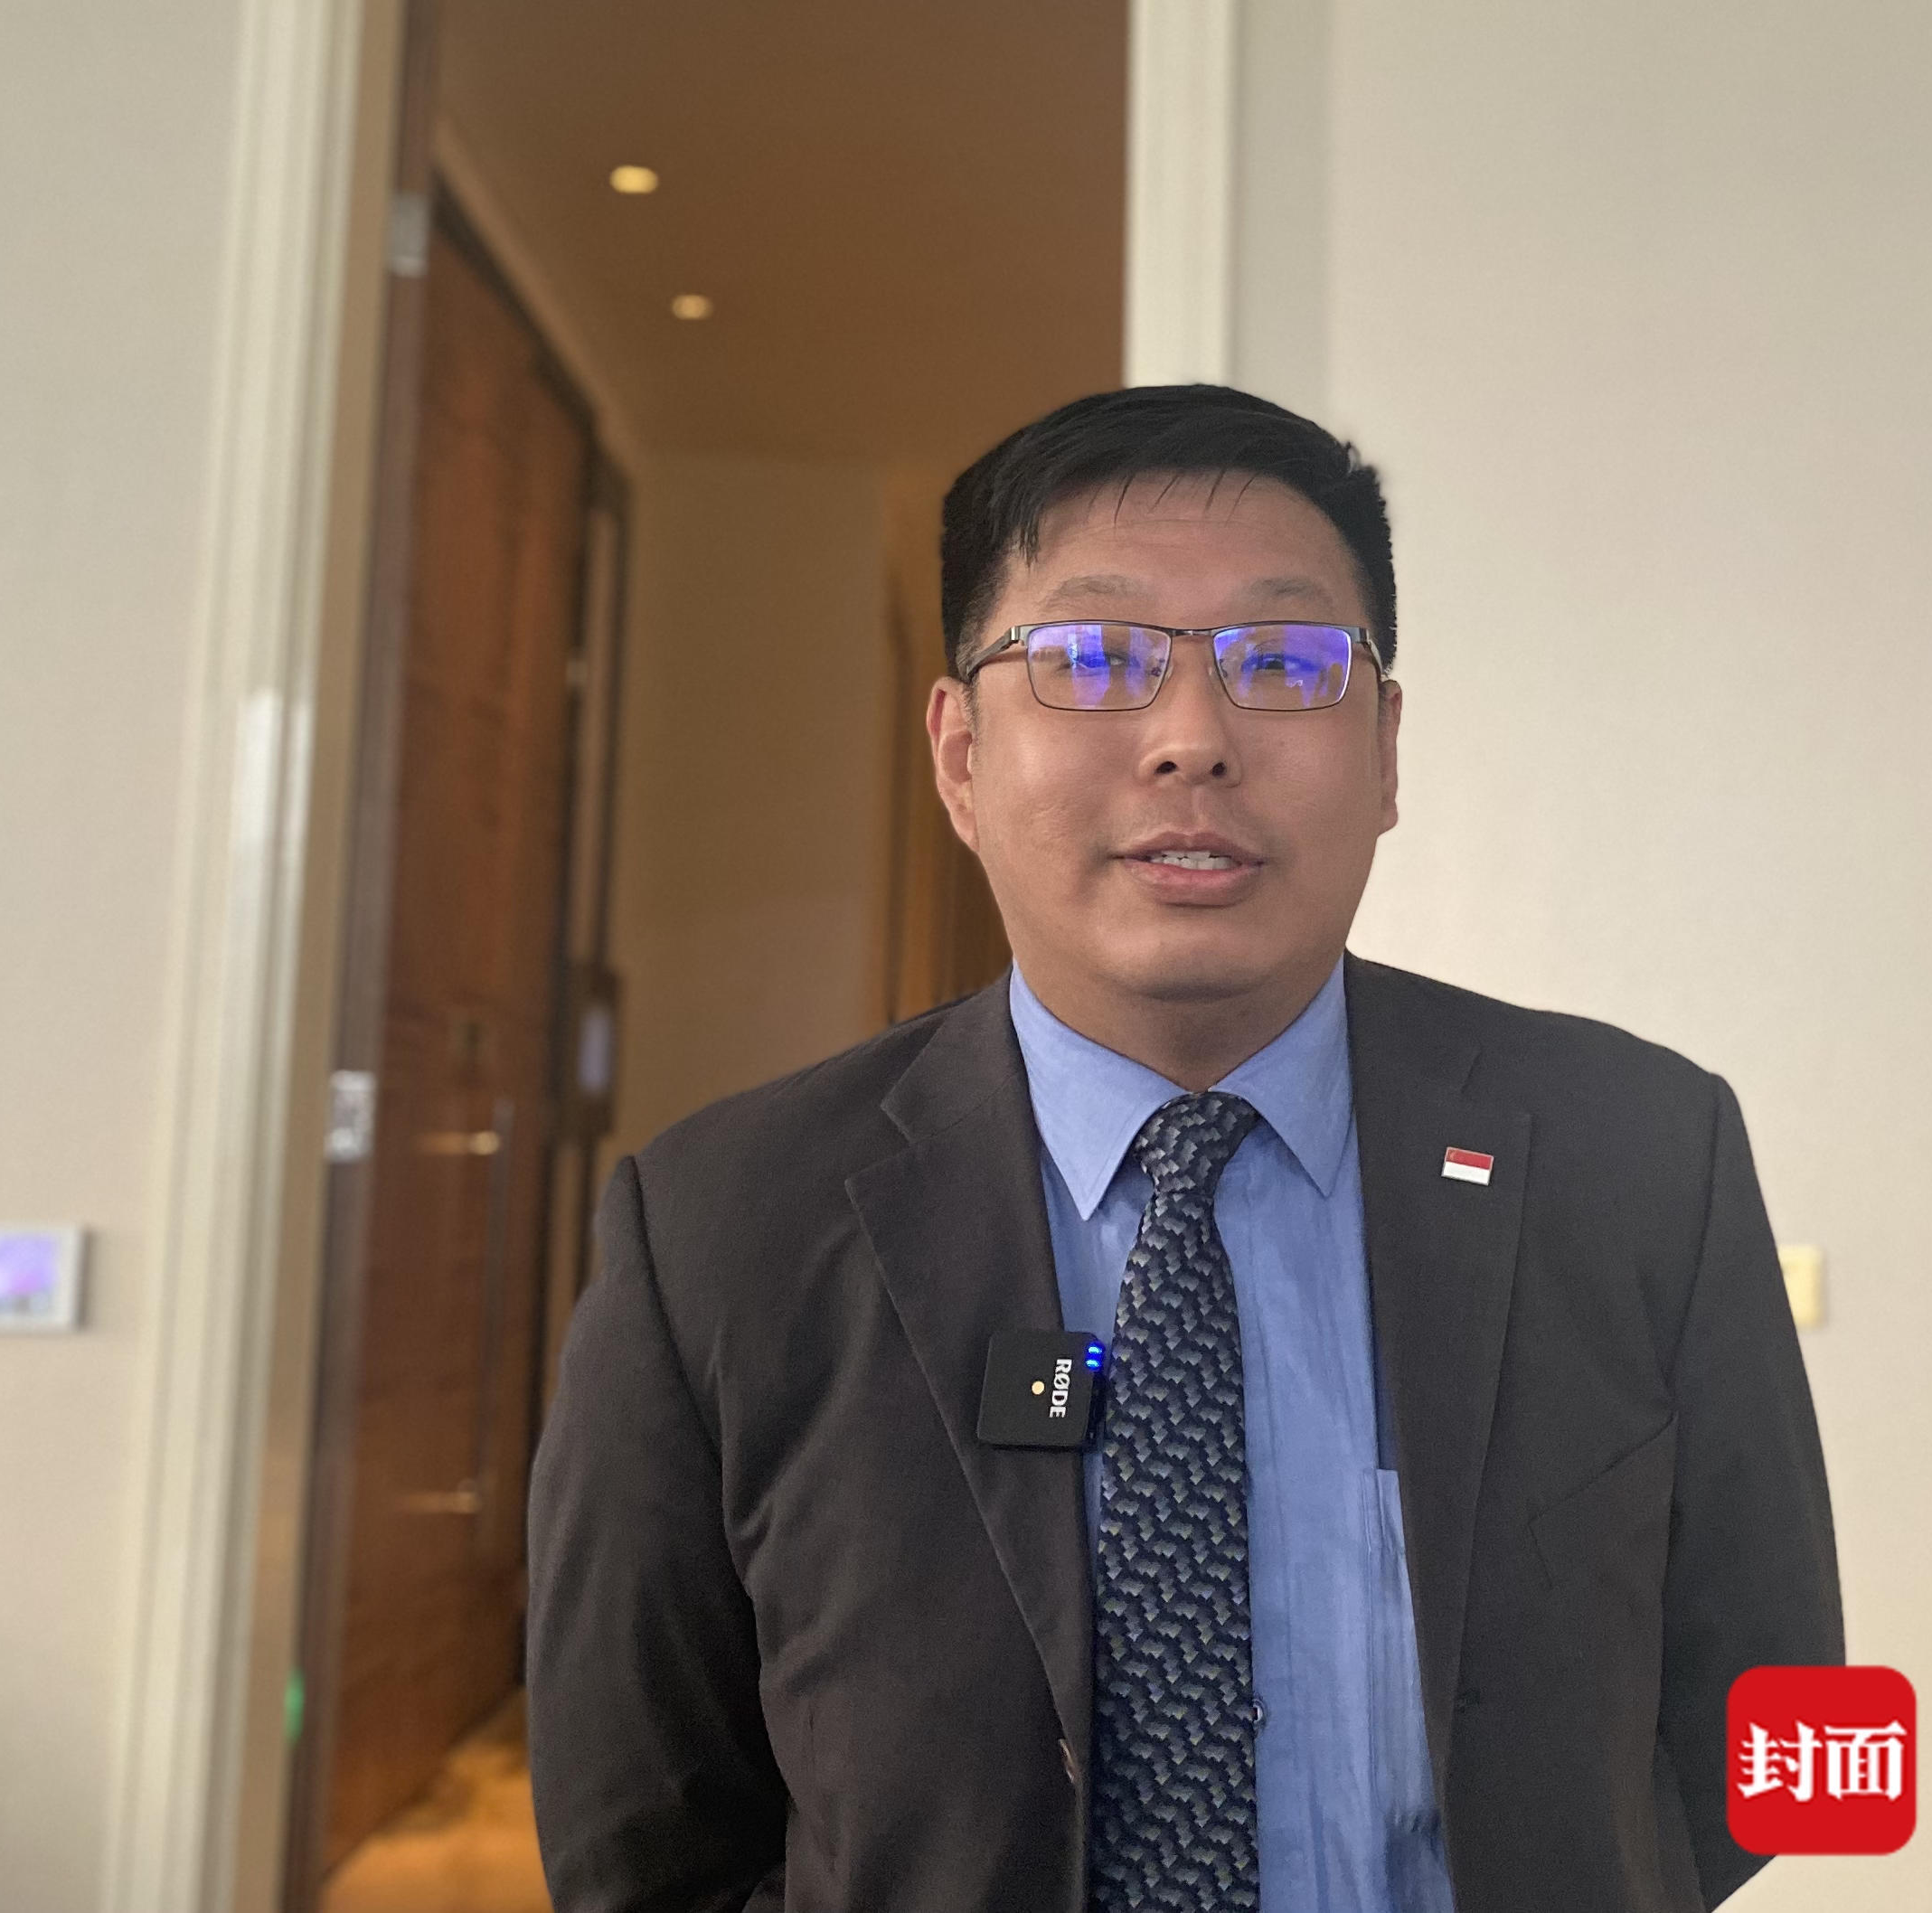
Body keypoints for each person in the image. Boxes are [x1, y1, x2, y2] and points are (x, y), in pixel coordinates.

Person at [525, 385, 1842, 1913]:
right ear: (960, 754)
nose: (1194, 742)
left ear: (1387, 749)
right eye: (1096, 661)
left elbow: (1773, 1724)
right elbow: (648, 1847)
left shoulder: (1639, 1158)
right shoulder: (719, 1235)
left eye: (1284, 664)